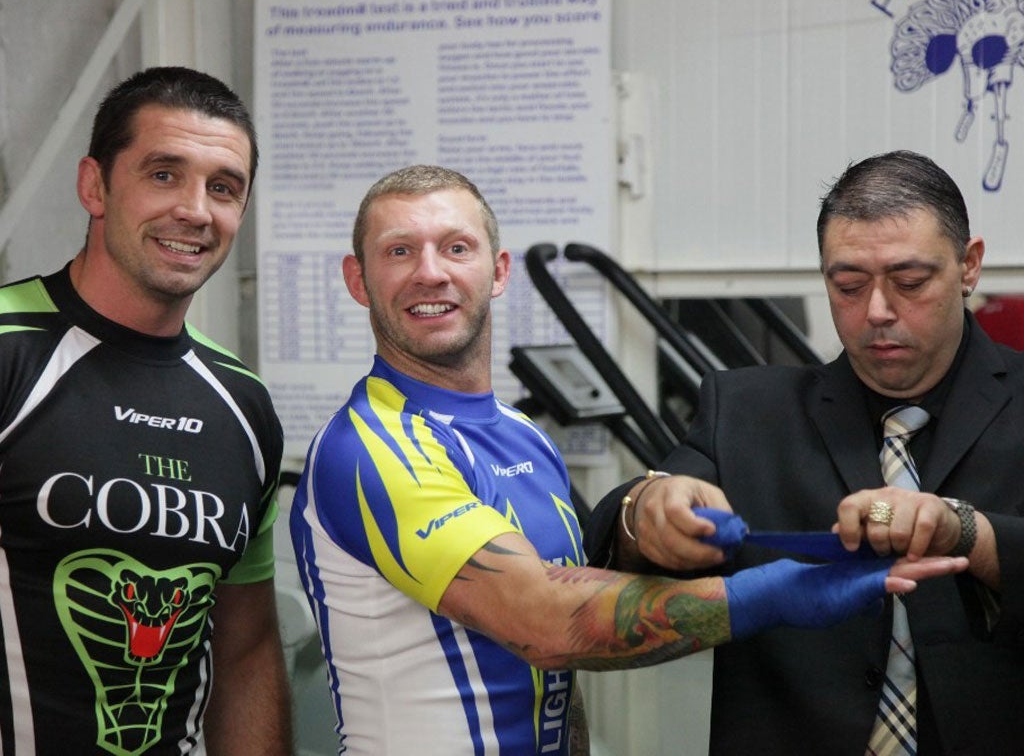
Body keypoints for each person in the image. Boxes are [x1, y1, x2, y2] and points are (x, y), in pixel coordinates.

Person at [288, 163, 966, 756]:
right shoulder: (368, 447)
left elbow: (558, 677)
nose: (429, 272)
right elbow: (548, 623)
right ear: (358, 279)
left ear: (496, 273)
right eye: (399, 251)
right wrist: (774, 593)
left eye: (455, 247)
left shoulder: (523, 435)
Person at [585, 149, 1024, 755]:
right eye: (847, 285)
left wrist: (966, 532)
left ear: (970, 265)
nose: (876, 311)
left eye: (910, 282)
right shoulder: (748, 413)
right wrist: (648, 510)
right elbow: (618, 536)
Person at [0, 67, 291, 754]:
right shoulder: (10, 354)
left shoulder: (242, 405)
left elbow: (246, 651)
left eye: (224, 187)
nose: (195, 209)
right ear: (94, 186)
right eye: (164, 174)